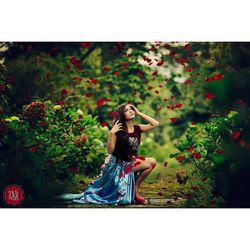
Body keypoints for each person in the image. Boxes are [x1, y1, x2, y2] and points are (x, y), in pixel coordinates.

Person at [54, 102, 159, 205]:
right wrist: (112, 133)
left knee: (152, 162)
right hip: (118, 166)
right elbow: (110, 151)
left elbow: (155, 123)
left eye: (131, 108)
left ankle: (135, 190)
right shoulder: (118, 130)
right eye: (126, 110)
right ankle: (131, 190)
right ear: (122, 115)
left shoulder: (137, 128)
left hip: (130, 163)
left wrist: (139, 112)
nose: (131, 111)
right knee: (124, 200)